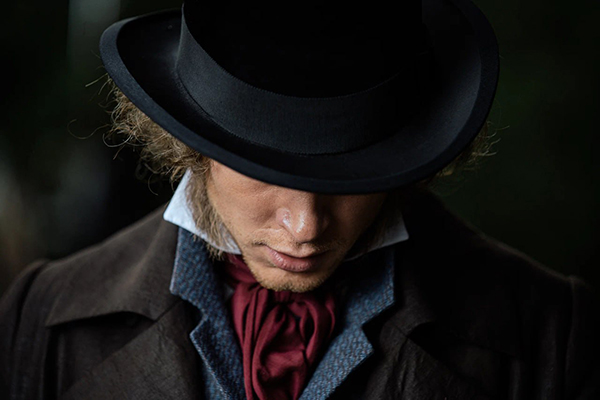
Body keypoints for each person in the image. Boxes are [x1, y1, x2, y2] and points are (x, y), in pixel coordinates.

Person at [1, 0, 599, 399]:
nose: (306, 226)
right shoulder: (42, 319)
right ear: (191, 142)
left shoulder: (552, 333)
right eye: (262, 171)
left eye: (349, 176)